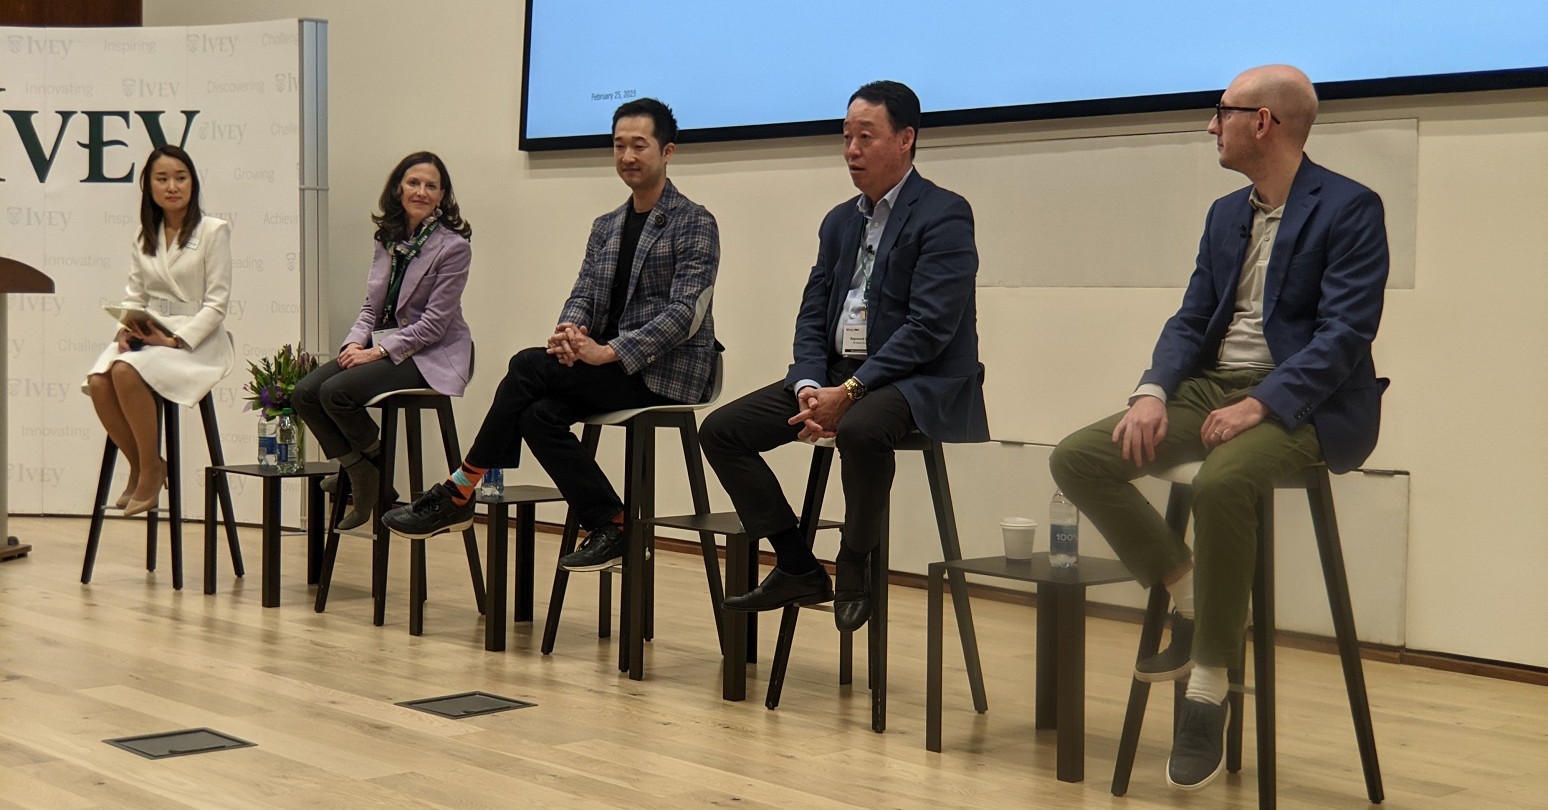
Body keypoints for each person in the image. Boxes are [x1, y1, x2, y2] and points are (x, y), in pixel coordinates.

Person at [1048, 65, 1389, 792]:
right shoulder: (1224, 214)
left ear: (1262, 122)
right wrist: (1151, 392)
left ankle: (1207, 689)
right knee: (1080, 457)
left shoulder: (1352, 208)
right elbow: (1189, 318)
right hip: (1211, 388)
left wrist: (1262, 403)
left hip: (1310, 401)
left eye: (1222, 112)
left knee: (1224, 482)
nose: (1211, 125)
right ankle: (1193, 597)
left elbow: (1345, 335)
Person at [382, 98, 719, 573]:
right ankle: (615, 524)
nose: (627, 156)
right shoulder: (606, 226)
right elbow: (582, 294)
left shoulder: (694, 221)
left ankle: (460, 489)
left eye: (639, 145)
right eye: (619, 145)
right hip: (603, 365)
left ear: (667, 152)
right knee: (538, 414)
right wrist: (568, 333)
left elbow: (686, 313)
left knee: (524, 365)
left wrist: (608, 351)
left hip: (665, 371)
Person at [700, 80, 988, 632]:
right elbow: (813, 314)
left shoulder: (945, 214)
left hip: (917, 379)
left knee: (859, 429)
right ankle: (795, 562)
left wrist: (850, 393)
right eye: (846, 137)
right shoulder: (838, 222)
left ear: (905, 139)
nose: (852, 150)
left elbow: (929, 328)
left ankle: (854, 561)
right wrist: (810, 380)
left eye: (866, 137)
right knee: (722, 430)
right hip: (838, 372)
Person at [292, 152, 474, 529]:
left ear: (442, 196)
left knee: (337, 393)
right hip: (385, 344)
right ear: (397, 188)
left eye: (431, 186)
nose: (421, 191)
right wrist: (353, 346)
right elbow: (370, 308)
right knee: (305, 393)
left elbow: (435, 325)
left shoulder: (453, 246)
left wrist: (377, 351)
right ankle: (362, 470)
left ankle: (366, 474)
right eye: (413, 183)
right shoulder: (388, 239)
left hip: (431, 353)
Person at [84, 146, 235, 517]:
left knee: (124, 370)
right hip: (150, 331)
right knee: (99, 380)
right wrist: (126, 328)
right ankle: (144, 464)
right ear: (148, 186)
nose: (172, 186)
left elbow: (216, 305)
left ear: (192, 183)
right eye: (162, 178)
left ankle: (149, 472)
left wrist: (172, 340)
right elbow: (135, 294)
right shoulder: (143, 235)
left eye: (180, 177)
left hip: (194, 341)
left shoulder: (213, 230)